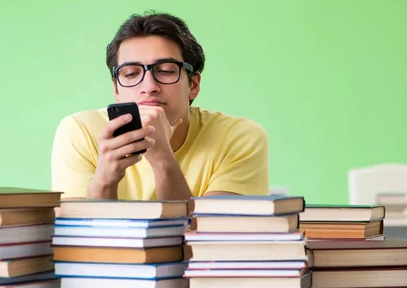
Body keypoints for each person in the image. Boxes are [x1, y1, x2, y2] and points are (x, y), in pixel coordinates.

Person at [51, 12, 269, 201]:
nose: (149, 86)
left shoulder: (239, 137)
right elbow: (81, 240)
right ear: (116, 89)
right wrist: (105, 181)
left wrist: (162, 158)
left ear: (193, 84)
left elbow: (211, 237)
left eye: (165, 70)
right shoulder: (80, 131)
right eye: (131, 74)